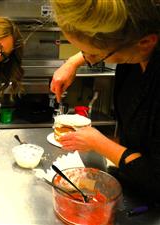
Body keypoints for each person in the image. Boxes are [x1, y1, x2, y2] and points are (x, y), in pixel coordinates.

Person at [50, 0, 160, 199]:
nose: (89, 59)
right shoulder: (133, 51)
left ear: (145, 43)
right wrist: (73, 62)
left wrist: (99, 143)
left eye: (95, 55)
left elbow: (156, 176)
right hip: (130, 178)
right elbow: (109, 42)